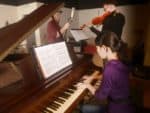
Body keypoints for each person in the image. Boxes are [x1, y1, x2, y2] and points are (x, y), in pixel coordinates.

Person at [79, 31, 134, 113]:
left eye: (97, 48)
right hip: (127, 105)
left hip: (117, 109)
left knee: (84, 108)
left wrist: (87, 85)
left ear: (105, 48)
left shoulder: (109, 68)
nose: (97, 51)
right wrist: (93, 77)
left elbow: (101, 96)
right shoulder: (119, 60)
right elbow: (112, 77)